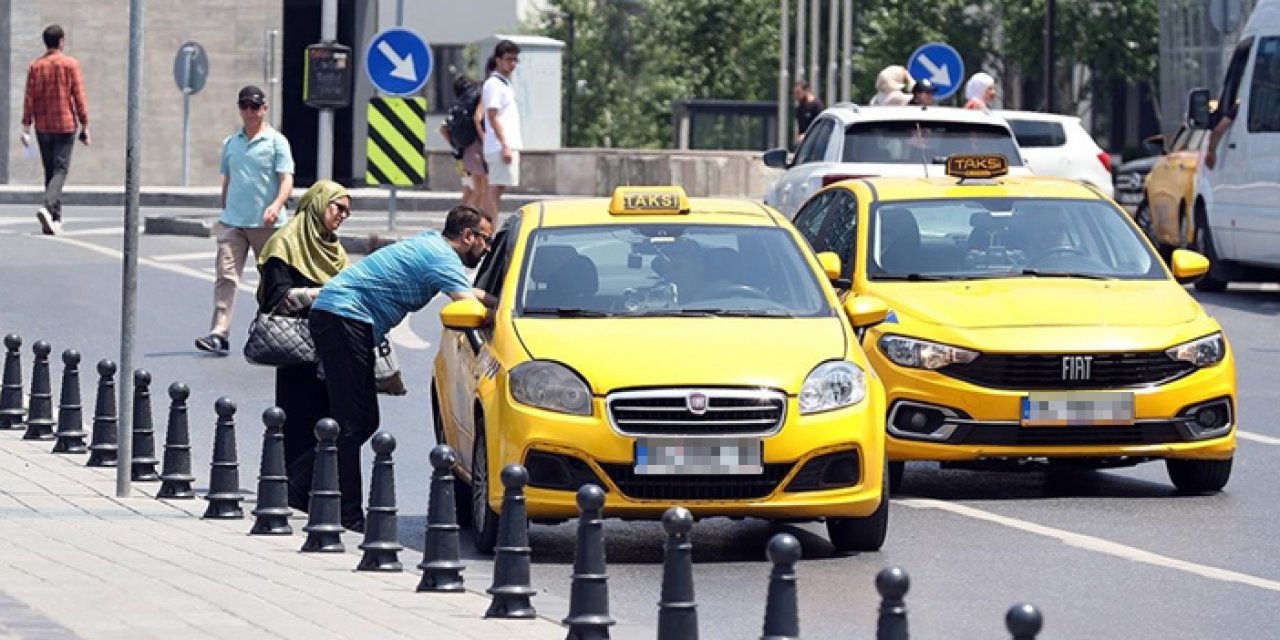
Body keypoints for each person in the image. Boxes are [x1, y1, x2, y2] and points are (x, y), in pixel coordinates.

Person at [309, 205, 497, 531]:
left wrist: (503, 301)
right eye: (486, 240)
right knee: (353, 422)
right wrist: (505, 317)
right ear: (468, 235)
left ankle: (299, 485)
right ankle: (346, 513)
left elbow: (474, 294)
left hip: (344, 318)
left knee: (362, 420)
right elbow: (467, 304)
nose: (488, 248)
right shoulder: (440, 257)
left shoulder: (434, 248)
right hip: (344, 318)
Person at [254, 180, 352, 510]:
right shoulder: (285, 243)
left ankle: (315, 490)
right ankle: (291, 490)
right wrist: (321, 295)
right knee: (297, 421)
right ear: (318, 203)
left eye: (347, 213)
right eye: (338, 208)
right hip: (296, 350)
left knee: (331, 421)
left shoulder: (334, 249)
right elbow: (275, 299)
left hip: (331, 348)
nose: (342, 216)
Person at [195, 85, 295, 355]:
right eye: (244, 106)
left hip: (267, 224)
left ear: (264, 109)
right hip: (234, 223)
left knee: (273, 280)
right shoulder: (231, 143)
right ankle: (219, 333)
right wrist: (224, 208)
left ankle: (275, 330)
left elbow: (286, 179)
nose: (249, 111)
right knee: (226, 276)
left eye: (254, 106)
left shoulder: (276, 142)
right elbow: (228, 179)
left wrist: (276, 205)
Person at [21, 24, 90, 237]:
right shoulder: (70, 64)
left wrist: (26, 126)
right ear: (61, 41)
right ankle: (47, 206)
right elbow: (78, 96)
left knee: (50, 172)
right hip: (65, 124)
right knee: (61, 170)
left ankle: (53, 219)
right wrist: (85, 124)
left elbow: (29, 97)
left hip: (43, 125)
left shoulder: (35, 66)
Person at [482, 40, 523, 225]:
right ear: (498, 60)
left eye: (515, 60)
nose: (512, 64)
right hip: (500, 145)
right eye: (508, 59)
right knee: (495, 189)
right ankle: (489, 230)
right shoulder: (494, 84)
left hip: (505, 144)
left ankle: (489, 227)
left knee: (499, 188)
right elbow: (492, 115)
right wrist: (505, 144)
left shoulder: (505, 83)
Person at [439, 74, 488, 210]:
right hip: (474, 151)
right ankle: (465, 219)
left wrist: (455, 144)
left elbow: (443, 129)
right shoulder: (474, 101)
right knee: (478, 190)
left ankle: (460, 217)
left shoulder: (458, 105)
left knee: (468, 189)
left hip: (459, 155)